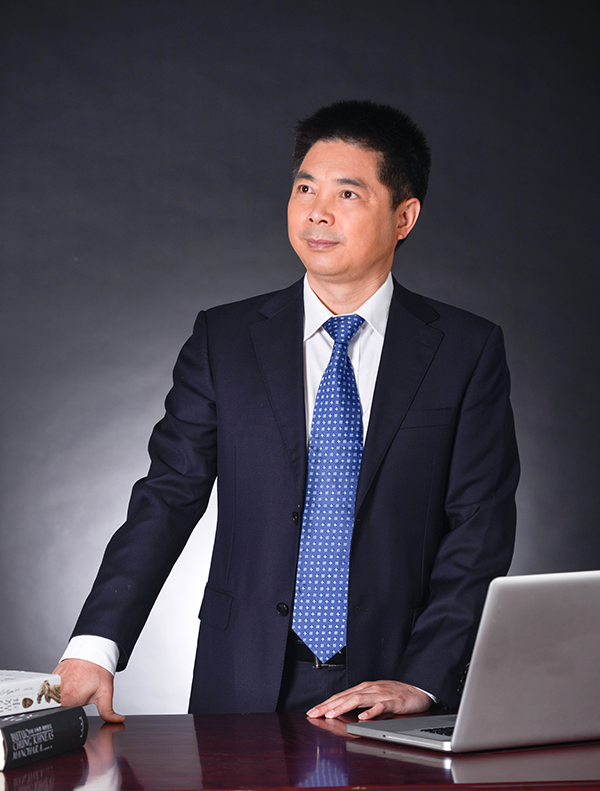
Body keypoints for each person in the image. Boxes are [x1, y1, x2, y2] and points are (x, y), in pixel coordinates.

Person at [54, 100, 519, 723]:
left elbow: (479, 530)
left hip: (392, 683)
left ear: (404, 217)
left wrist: (422, 680)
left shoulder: (465, 349)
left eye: (347, 193)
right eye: (304, 188)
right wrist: (95, 647)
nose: (316, 212)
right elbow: (168, 495)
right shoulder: (225, 339)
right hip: (240, 678)